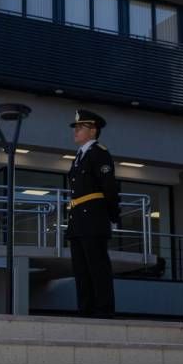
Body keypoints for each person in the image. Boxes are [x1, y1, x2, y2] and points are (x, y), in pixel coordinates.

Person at [66, 109, 120, 318]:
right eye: (76, 128)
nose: (76, 131)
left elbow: (110, 187)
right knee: (81, 269)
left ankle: (103, 310)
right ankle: (85, 309)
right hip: (78, 218)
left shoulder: (99, 153)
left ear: (93, 131)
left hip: (93, 218)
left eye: (81, 127)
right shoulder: (79, 157)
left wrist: (113, 215)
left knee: (97, 267)